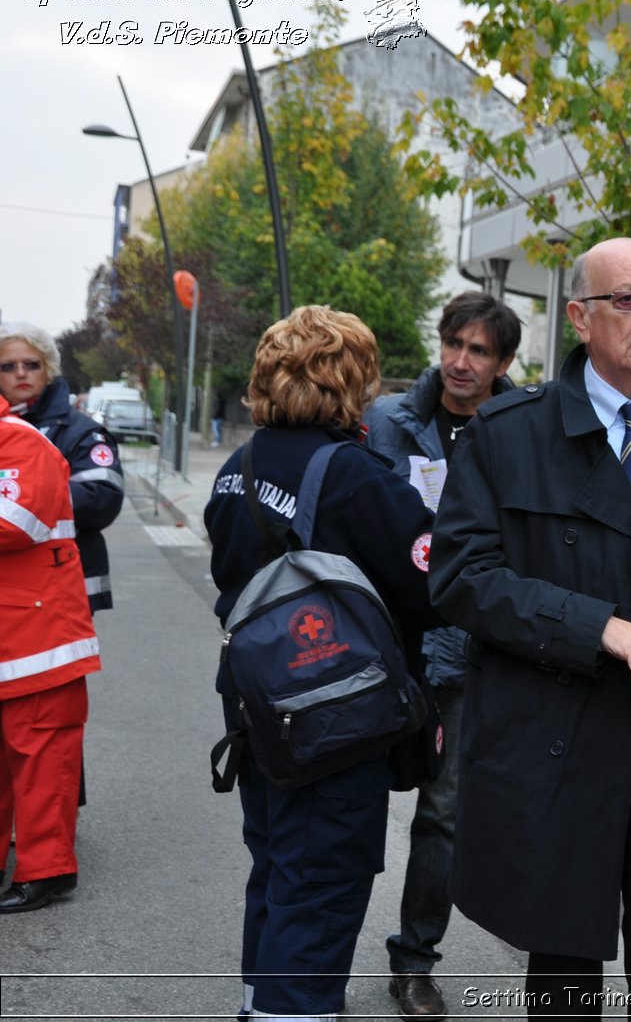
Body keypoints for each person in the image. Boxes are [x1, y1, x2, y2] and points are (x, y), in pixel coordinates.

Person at [429, 238, 631, 1017]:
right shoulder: (508, 434)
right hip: (560, 742)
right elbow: (461, 578)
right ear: (579, 316)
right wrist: (598, 627)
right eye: (628, 300)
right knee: (563, 980)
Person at [204, 306, 440, 1020]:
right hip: (334, 718)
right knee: (322, 887)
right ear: (351, 379)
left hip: (257, 712)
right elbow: (431, 585)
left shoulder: (234, 467)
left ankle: (261, 1004)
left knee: (277, 874)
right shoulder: (353, 474)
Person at [364, 291, 522, 1019]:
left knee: (444, 812)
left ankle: (414, 958)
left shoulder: (521, 428)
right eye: (454, 343)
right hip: (387, 642)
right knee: (351, 799)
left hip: (468, 648)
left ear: (503, 363)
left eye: (480, 350)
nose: (462, 361)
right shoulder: (390, 421)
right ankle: (317, 954)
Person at [0, 397, 102, 914]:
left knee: (42, 760)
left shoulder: (20, 440)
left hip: (39, 641)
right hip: (13, 636)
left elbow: (17, 521)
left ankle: (47, 871)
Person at [0, 324, 124, 614]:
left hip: (63, 587)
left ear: (49, 369)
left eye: (31, 364)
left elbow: (102, 497)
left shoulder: (81, 431)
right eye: (8, 366)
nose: (21, 373)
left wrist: (31, 499)